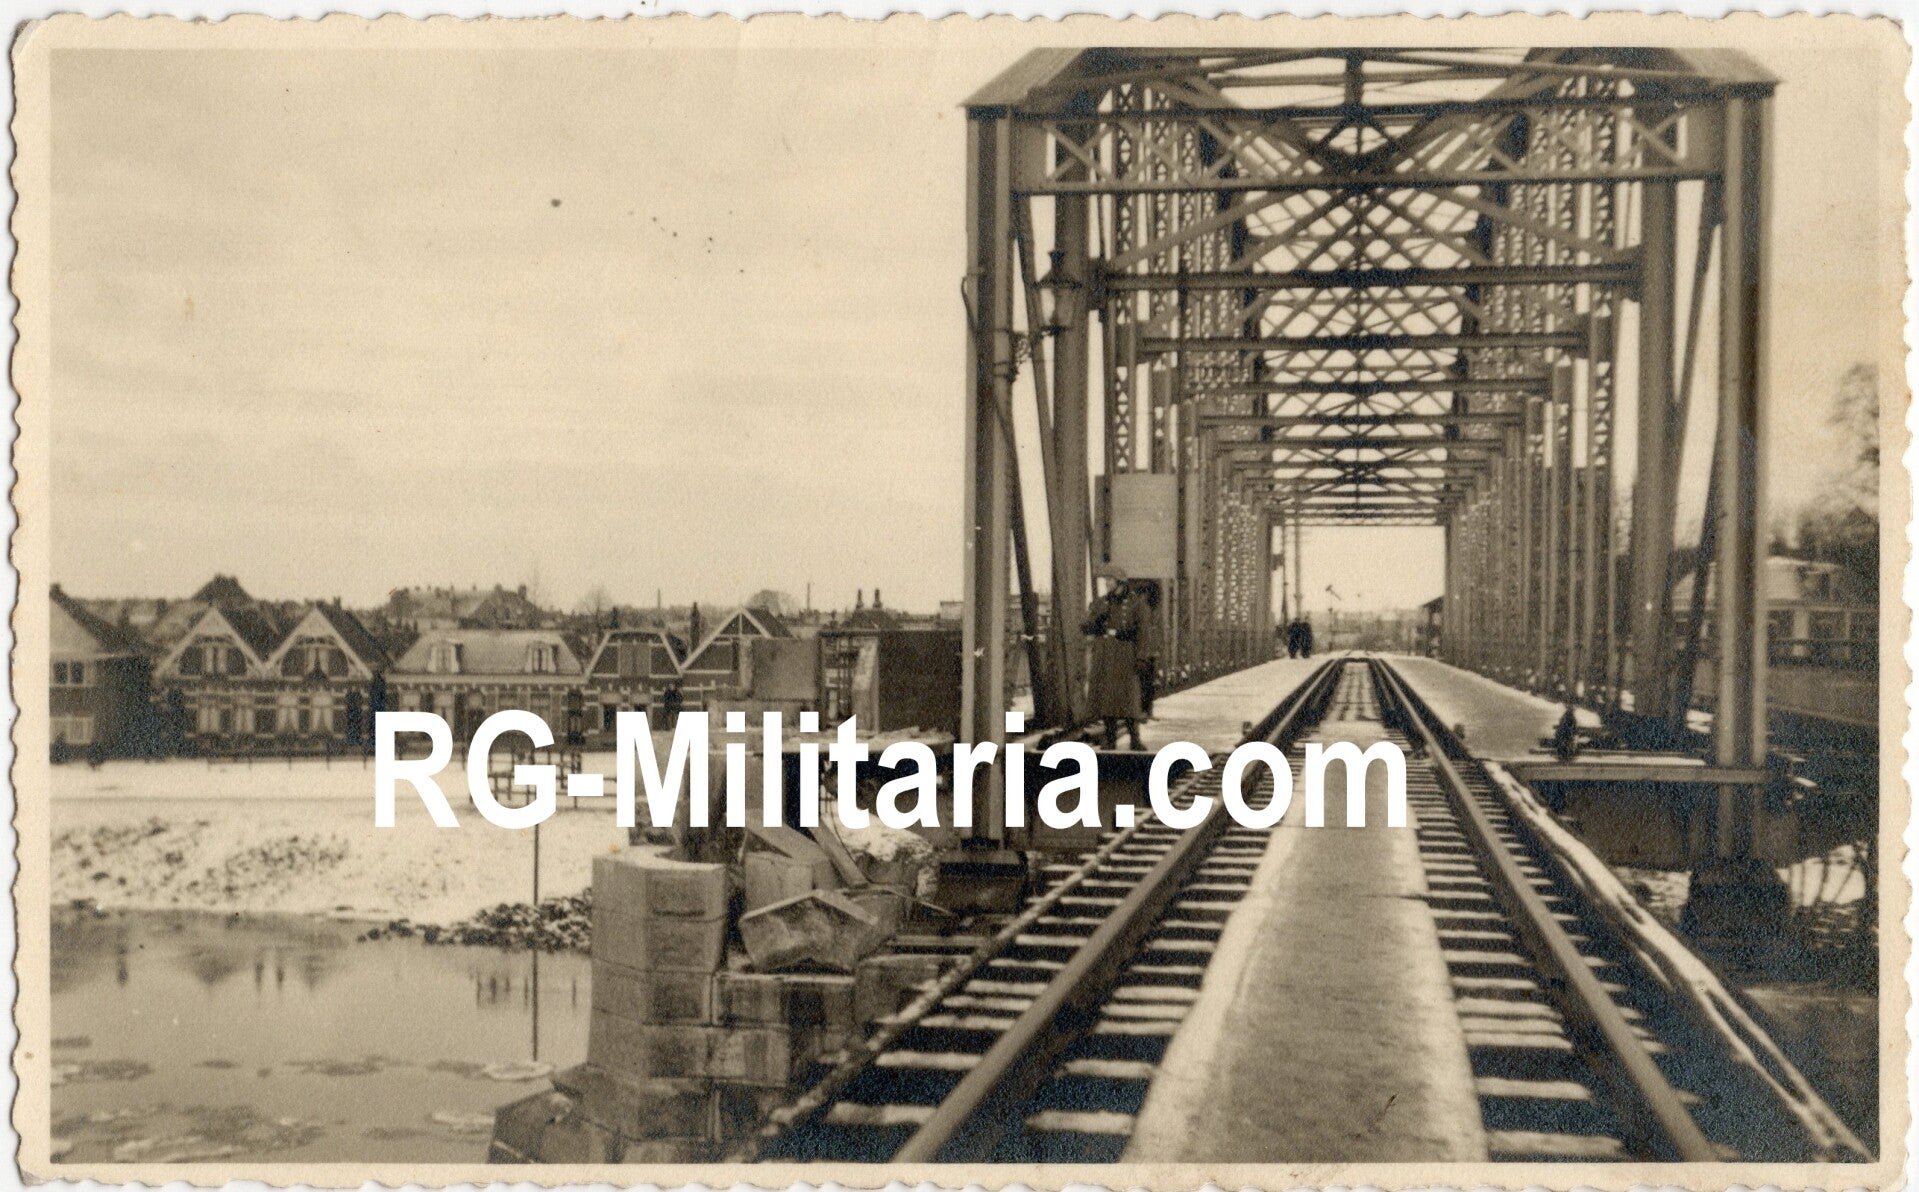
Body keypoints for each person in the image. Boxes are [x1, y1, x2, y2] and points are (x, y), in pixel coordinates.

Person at [1083, 564, 1145, 751]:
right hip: (1106, 655)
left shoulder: (1135, 603)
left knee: (1129, 698)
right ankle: (1110, 739)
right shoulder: (1101, 603)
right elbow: (1086, 626)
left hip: (1126, 653)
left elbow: (1143, 632)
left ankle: (1135, 738)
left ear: (1119, 582)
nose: (1106, 583)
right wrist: (1096, 622)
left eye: (1109, 580)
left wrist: (1141, 656)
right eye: (1105, 580)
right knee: (1107, 699)